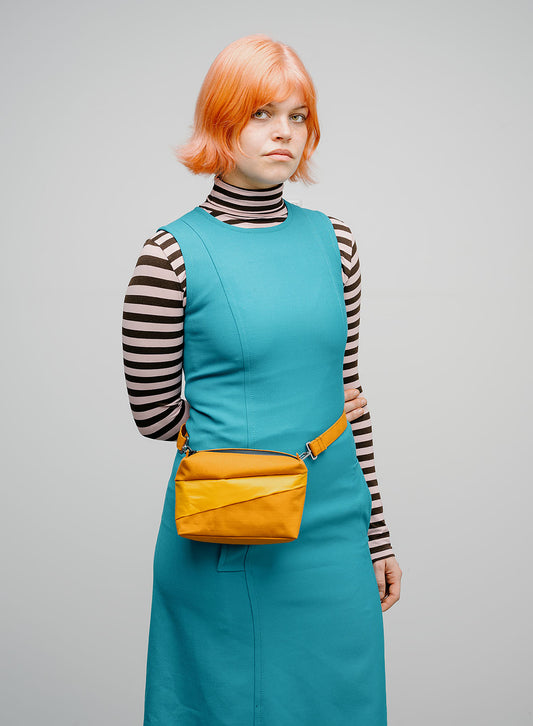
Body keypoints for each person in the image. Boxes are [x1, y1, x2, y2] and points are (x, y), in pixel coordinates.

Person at [122, 33, 402, 726]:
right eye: (260, 114)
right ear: (221, 122)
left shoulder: (336, 242)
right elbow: (154, 416)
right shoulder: (169, 255)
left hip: (333, 530)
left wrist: (377, 535)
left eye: (297, 115)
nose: (284, 132)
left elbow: (348, 395)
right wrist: (250, 456)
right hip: (231, 527)